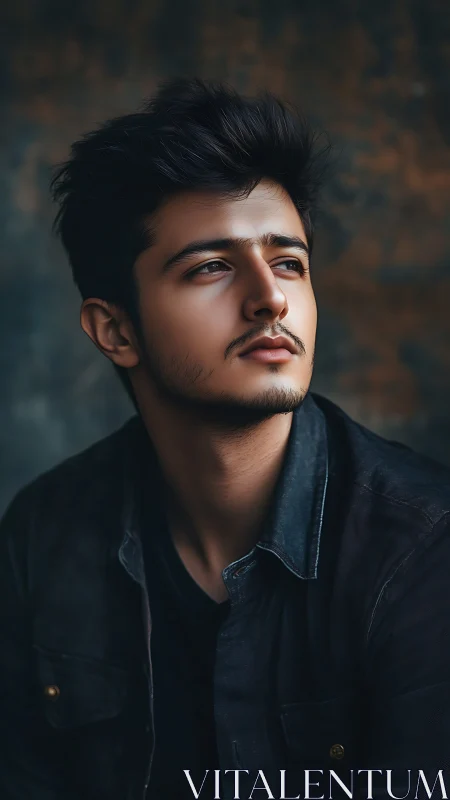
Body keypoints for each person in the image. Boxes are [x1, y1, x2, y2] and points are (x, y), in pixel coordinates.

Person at [0, 77, 449, 800]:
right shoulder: (44, 536)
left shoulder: (425, 553)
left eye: (289, 262)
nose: (270, 296)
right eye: (211, 266)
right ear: (114, 330)